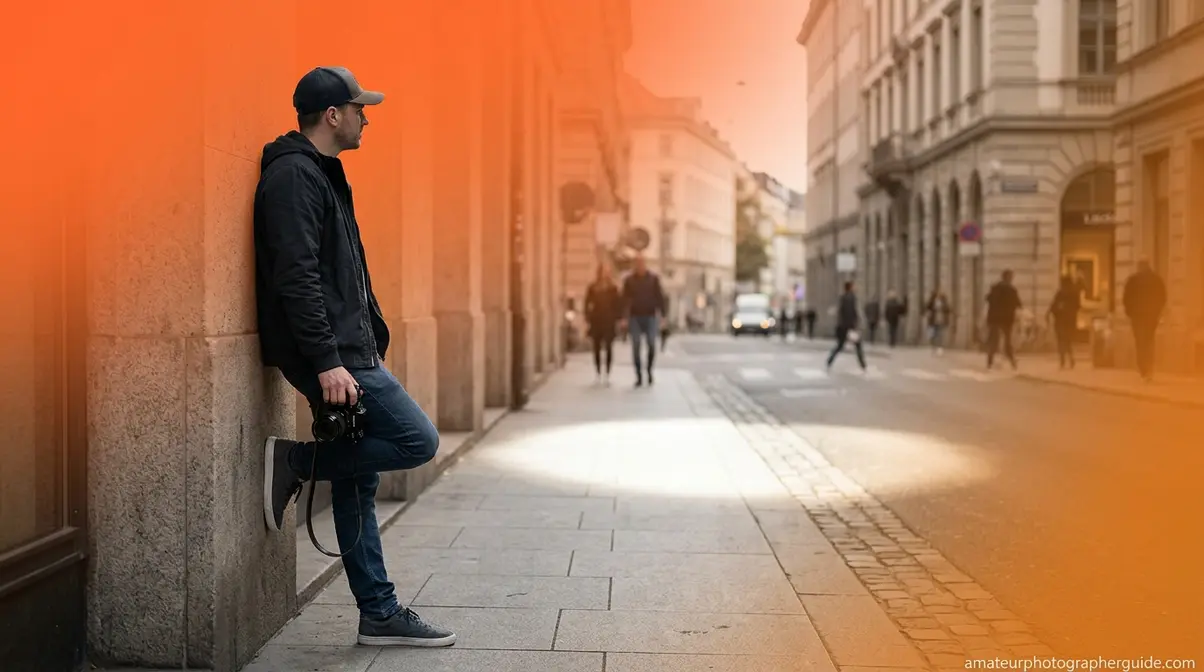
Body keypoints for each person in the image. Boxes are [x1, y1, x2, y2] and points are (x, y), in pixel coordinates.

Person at [253, 66, 455, 647]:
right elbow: (297, 278)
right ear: (333, 115)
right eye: (359, 108)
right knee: (420, 440)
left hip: (351, 347)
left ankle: (378, 612)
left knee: (360, 478)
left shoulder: (322, 174)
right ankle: (296, 462)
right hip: (336, 355)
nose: (367, 116)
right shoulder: (294, 178)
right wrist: (327, 360)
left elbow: (339, 274)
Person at [620, 254, 667, 387]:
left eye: (642, 263)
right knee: (636, 346)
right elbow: (624, 299)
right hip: (635, 317)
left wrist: (663, 315)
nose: (640, 266)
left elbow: (660, 297)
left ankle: (649, 370)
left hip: (650, 316)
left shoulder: (653, 279)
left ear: (645, 264)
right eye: (637, 264)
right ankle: (639, 375)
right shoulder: (629, 280)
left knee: (652, 343)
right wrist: (623, 317)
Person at [1122, 259, 1167, 382]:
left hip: (1137, 317)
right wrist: (1157, 312)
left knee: (1140, 342)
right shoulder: (1156, 280)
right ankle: (1149, 368)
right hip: (1151, 316)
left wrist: (1129, 312)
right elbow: (1162, 297)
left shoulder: (1133, 280)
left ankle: (1143, 368)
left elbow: (1126, 298)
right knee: (1149, 341)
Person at [584, 264, 622, 385]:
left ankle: (607, 374)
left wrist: (618, 318)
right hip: (596, 320)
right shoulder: (593, 287)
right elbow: (587, 302)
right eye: (602, 272)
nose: (604, 274)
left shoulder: (613, 288)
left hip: (609, 321)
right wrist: (587, 317)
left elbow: (618, 304)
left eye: (606, 272)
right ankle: (598, 372)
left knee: (609, 347)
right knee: (596, 347)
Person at [826, 281, 868, 372]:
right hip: (851, 326)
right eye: (854, 286)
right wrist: (859, 323)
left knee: (840, 345)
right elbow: (856, 311)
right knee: (858, 345)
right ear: (850, 287)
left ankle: (829, 361)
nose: (855, 288)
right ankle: (863, 365)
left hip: (842, 326)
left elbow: (839, 311)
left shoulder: (842, 298)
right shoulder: (853, 298)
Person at [984, 269, 1021, 370]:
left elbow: (988, 299)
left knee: (994, 341)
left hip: (994, 318)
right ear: (1009, 278)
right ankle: (1013, 363)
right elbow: (1018, 304)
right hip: (1007, 319)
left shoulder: (995, 288)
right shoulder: (1012, 290)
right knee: (1007, 341)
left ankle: (989, 362)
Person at [1047, 274, 1081, 369]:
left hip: (1060, 320)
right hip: (1070, 320)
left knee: (1061, 340)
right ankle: (1070, 358)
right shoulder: (1075, 292)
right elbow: (1078, 306)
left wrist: (1053, 312)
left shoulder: (1061, 292)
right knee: (1067, 341)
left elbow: (1053, 305)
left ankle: (1063, 360)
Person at [924, 289, 952, 355]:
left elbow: (948, 309)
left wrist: (943, 310)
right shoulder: (931, 302)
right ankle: (933, 347)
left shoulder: (944, 302)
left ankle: (940, 348)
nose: (939, 296)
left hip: (941, 320)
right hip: (933, 320)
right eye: (938, 294)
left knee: (940, 334)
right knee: (933, 335)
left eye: (940, 295)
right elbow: (927, 309)